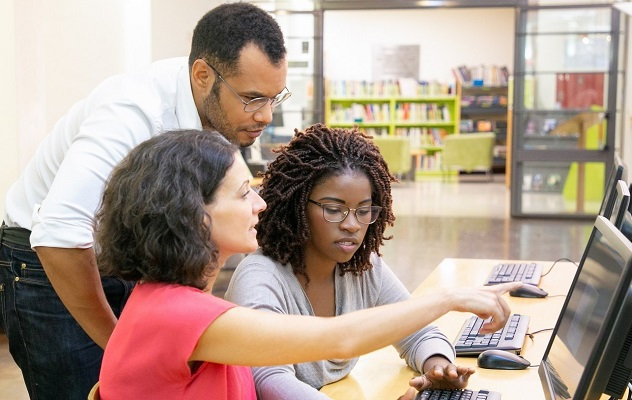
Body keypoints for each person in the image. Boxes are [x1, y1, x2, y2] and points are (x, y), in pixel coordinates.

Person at [95, 129, 519, 400]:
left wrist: (433, 357)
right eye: (244, 193)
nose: (261, 203)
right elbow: (338, 340)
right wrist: (448, 298)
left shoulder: (171, 302)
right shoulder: (180, 314)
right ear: (193, 212)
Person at [0, 3, 289, 399]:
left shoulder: (221, 111)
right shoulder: (133, 111)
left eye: (275, 97)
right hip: (46, 257)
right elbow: (58, 233)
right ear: (203, 75)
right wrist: (125, 346)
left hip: (116, 253)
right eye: (253, 98)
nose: (266, 116)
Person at [224, 124, 485, 399]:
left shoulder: (363, 268)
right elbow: (268, 377)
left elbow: (417, 333)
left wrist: (439, 367)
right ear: (297, 206)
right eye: (334, 210)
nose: (352, 225)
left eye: (364, 211)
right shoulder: (260, 276)